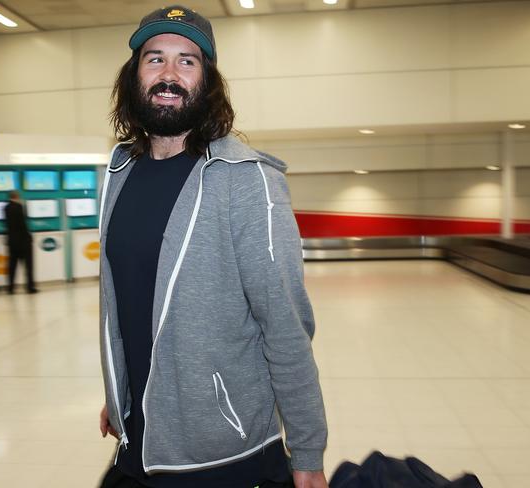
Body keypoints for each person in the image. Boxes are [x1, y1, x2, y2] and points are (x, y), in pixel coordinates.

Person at [98, 5, 327, 488]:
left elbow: (285, 325)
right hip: (139, 438)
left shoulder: (247, 181)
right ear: (133, 76)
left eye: (187, 61)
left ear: (208, 82)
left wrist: (307, 452)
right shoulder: (120, 172)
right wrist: (121, 389)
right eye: (154, 58)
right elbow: (131, 303)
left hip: (224, 455)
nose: (168, 74)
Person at [3, 190, 37, 294]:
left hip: (12, 241)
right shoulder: (19, 207)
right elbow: (22, 224)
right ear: (17, 196)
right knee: (28, 266)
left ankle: (10, 288)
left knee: (12, 266)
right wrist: (29, 236)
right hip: (23, 242)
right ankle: (30, 287)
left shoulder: (6, 208)